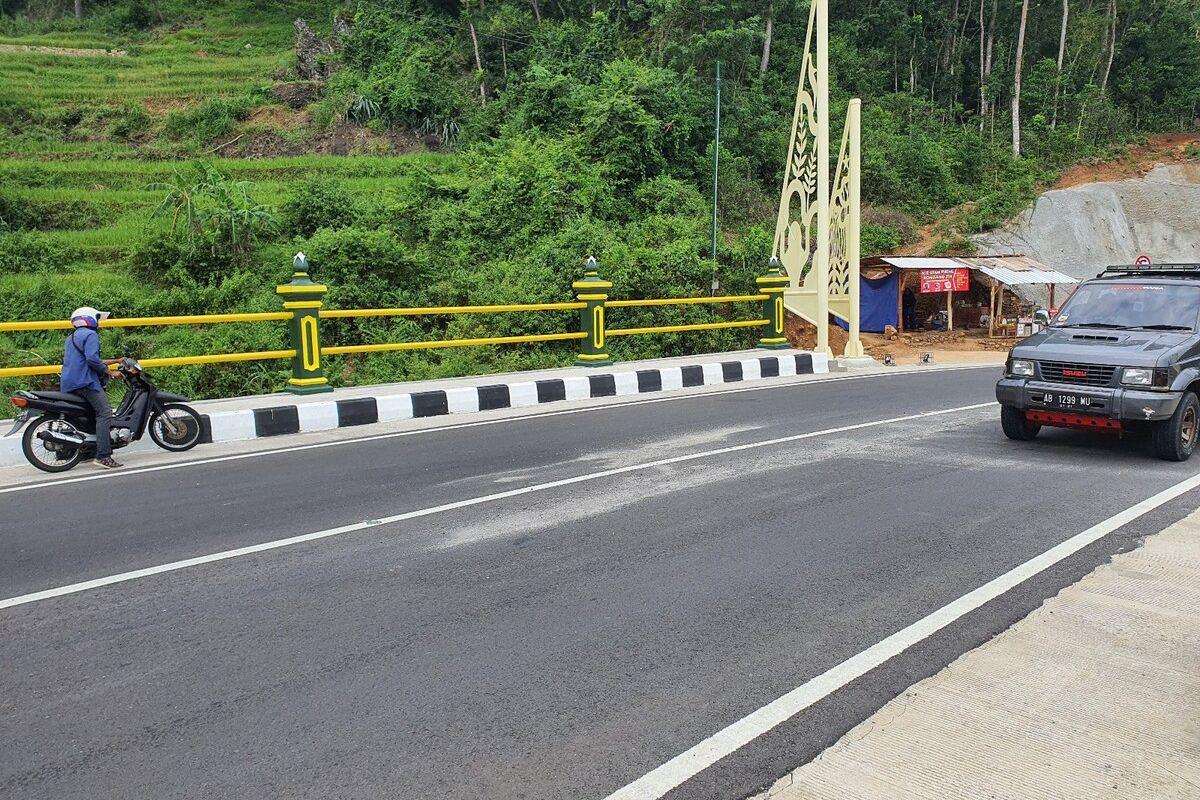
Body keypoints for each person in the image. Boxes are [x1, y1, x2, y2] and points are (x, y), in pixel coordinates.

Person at [62, 307, 123, 469]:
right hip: (86, 382)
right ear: (89, 319)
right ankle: (103, 456)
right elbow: (92, 360)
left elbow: (88, 359)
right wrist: (111, 372)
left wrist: (116, 360)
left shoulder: (71, 337)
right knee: (105, 413)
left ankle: (87, 452)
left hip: (70, 383)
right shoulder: (91, 335)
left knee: (88, 415)